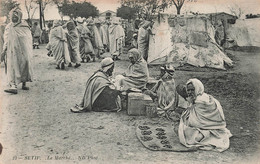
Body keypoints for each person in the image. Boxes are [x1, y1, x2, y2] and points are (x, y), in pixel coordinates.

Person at [178, 78, 232, 152]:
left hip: (210, 128)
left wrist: (187, 113)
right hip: (210, 127)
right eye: (188, 90)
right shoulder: (202, 96)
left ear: (198, 88)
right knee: (185, 130)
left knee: (188, 135)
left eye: (192, 90)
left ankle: (208, 136)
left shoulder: (200, 101)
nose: (190, 92)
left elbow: (196, 122)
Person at [0, 8, 33, 94]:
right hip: (12, 51)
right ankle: (13, 86)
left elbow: (28, 39)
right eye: (12, 17)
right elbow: (6, 40)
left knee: (25, 63)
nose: (14, 18)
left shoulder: (24, 26)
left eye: (16, 17)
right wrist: (4, 51)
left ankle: (24, 83)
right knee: (13, 67)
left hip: (24, 50)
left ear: (19, 17)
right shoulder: (9, 27)